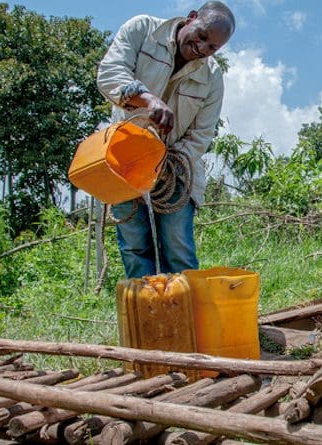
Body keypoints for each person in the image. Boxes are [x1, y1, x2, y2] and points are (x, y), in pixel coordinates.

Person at [96, 2, 235, 278]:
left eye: (212, 48)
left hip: (176, 172)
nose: (202, 48)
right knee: (135, 250)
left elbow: (202, 134)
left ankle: (184, 317)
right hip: (124, 161)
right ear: (192, 17)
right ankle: (147, 317)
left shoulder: (212, 76)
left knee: (178, 250)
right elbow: (110, 74)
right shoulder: (143, 30)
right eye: (203, 35)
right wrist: (147, 99)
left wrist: (163, 162)